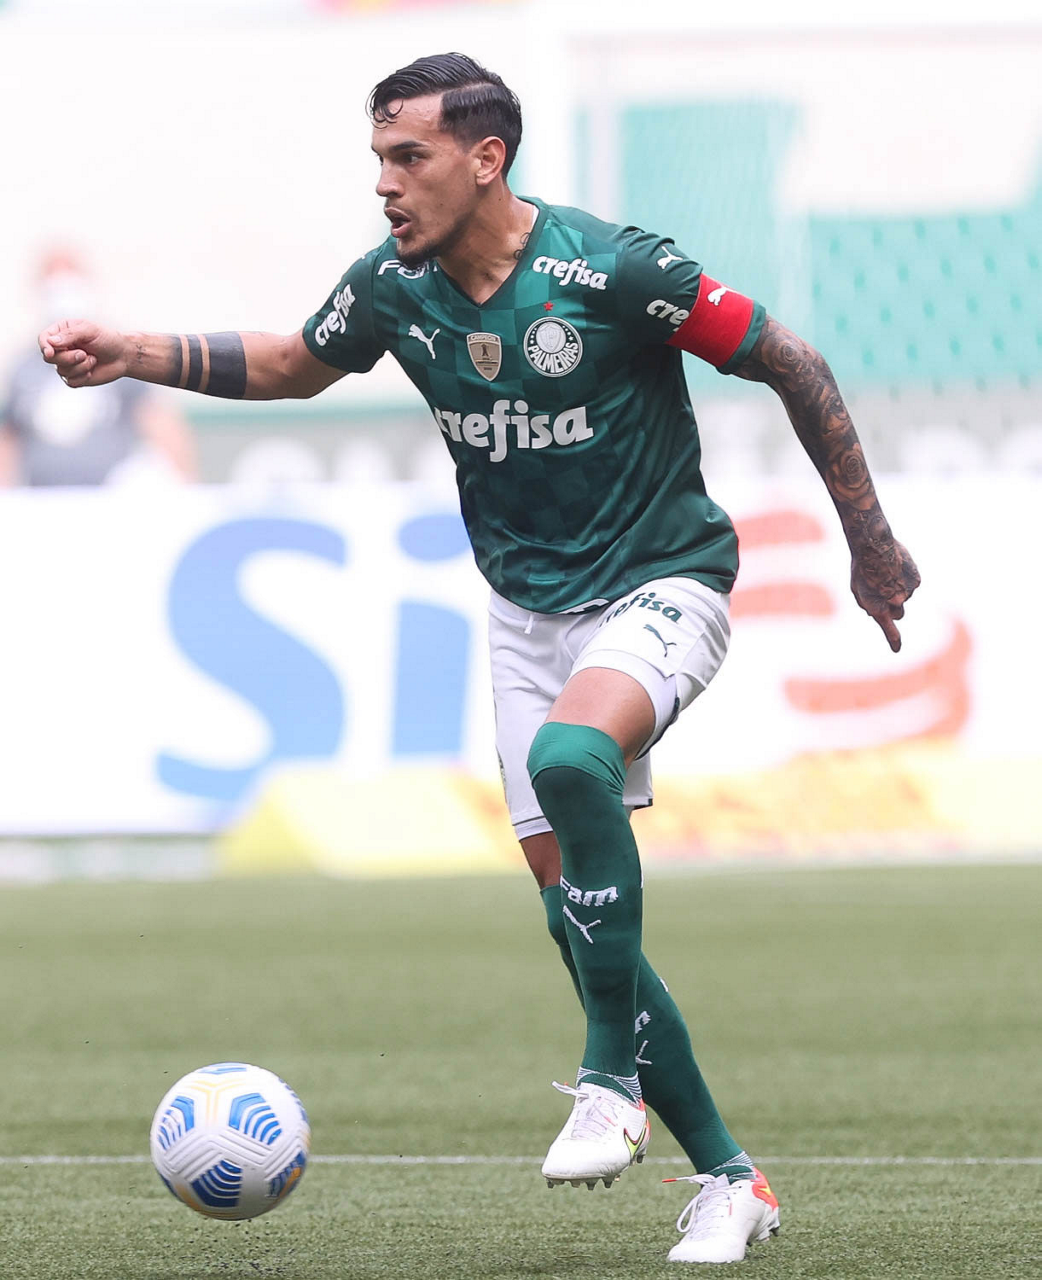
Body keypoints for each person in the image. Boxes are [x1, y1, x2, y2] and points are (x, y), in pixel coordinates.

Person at [39, 53, 920, 1265]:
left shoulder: (614, 270)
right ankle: (731, 1177)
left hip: (662, 581)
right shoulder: (394, 287)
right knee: (577, 923)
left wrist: (869, 543)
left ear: (486, 157)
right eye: (379, 160)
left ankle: (606, 1075)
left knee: (571, 757)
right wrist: (131, 351)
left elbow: (791, 359)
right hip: (524, 615)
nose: (386, 184)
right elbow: (293, 363)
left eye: (409, 158)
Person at [4, 250, 197, 487]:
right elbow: (9, 439)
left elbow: (159, 421)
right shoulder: (24, 369)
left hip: (107, 496)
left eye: (70, 283)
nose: (63, 296)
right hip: (46, 497)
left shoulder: (116, 355)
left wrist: (188, 485)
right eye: (54, 286)